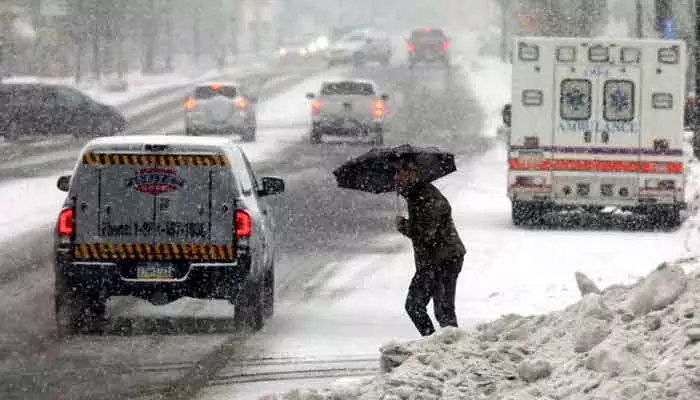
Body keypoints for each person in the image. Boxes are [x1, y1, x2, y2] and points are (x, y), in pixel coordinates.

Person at [393, 158, 466, 336]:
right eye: (395, 173)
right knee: (430, 308)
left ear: (412, 173)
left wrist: (403, 225)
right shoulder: (415, 195)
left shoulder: (427, 196)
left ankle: (444, 349)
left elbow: (426, 232)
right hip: (434, 259)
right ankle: (437, 347)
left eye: (400, 172)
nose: (396, 177)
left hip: (444, 259)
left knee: (435, 309)